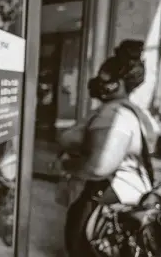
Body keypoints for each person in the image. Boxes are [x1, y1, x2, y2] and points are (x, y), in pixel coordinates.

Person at [58, 40, 160, 257]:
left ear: (119, 82)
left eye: (104, 77)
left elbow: (99, 166)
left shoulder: (114, 115)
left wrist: (66, 165)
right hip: (129, 195)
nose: (98, 82)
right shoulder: (139, 113)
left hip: (105, 202)